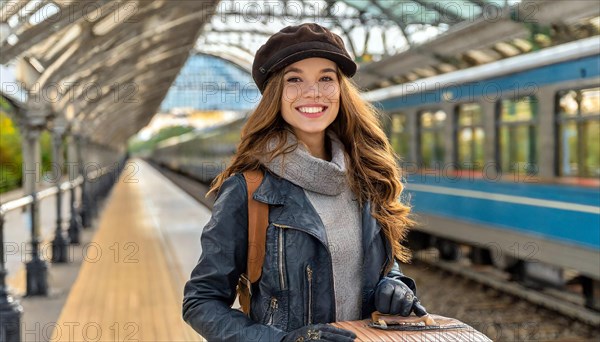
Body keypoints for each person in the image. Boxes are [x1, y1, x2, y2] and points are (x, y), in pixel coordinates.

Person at [183, 23, 427, 341]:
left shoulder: (367, 178)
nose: (313, 92)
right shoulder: (250, 190)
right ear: (276, 94)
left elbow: (380, 265)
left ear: (340, 90)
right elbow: (200, 302)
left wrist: (393, 284)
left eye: (326, 78)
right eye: (294, 79)